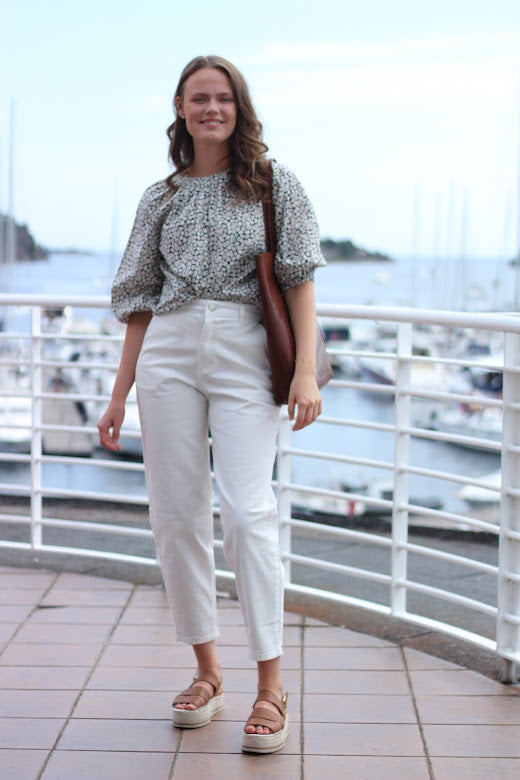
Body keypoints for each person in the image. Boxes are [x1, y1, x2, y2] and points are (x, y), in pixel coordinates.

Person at [98, 54, 325, 754]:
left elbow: (300, 282)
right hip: (167, 349)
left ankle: (271, 685)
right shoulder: (159, 197)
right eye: (199, 98)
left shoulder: (273, 182)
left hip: (244, 348)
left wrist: (306, 374)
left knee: (249, 513)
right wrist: (118, 393)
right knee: (176, 513)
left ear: (239, 106)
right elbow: (138, 301)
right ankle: (207, 671)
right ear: (180, 108)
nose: (211, 109)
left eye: (223, 98)